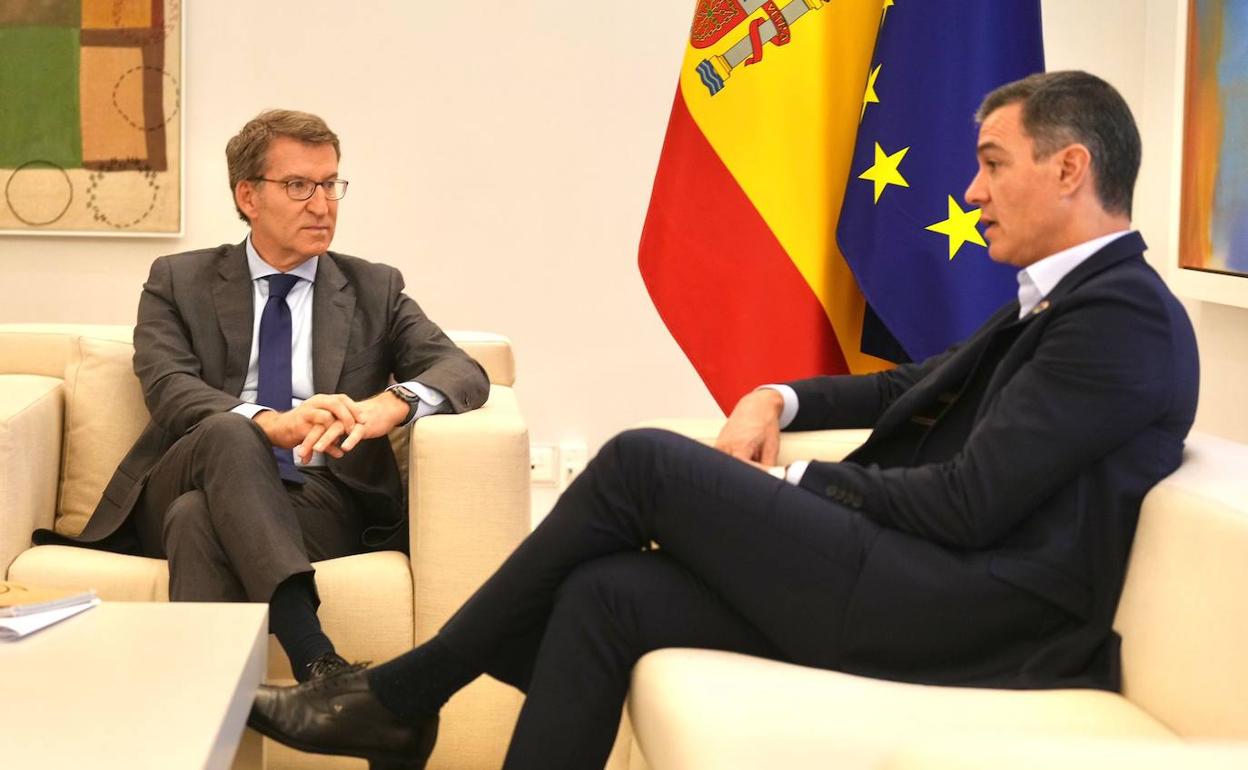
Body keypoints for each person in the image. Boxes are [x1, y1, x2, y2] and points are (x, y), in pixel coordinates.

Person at [248, 71, 1199, 769]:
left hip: (977, 615)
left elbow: (969, 504)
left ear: (1069, 168)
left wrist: (790, 482)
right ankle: (407, 701)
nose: (974, 191)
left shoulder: (1119, 318)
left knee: (643, 463)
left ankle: (407, 694)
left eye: (992, 164)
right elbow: (904, 389)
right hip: (928, 579)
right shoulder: (1062, 302)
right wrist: (775, 397)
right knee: (609, 593)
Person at [33, 109, 489, 682]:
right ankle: (315, 658)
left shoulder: (375, 288)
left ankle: (208, 714)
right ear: (248, 196)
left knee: (195, 519)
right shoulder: (178, 281)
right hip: (189, 466)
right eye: (299, 185)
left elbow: (463, 370)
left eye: (330, 184)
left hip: (319, 497)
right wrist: (271, 423)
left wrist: (390, 404)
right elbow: (170, 389)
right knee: (232, 430)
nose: (322, 205)